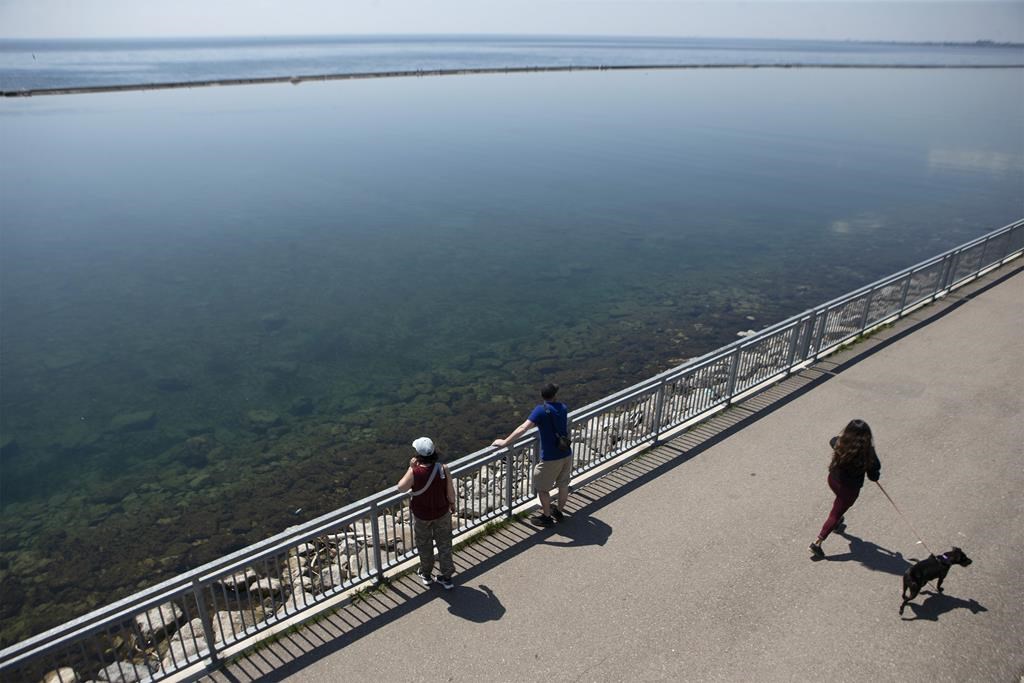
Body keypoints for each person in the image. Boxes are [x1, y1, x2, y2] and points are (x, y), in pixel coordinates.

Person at [492, 382, 572, 527]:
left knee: (542, 489)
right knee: (563, 485)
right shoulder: (563, 407)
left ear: (542, 396)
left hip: (550, 457)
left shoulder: (540, 411)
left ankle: (546, 517)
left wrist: (505, 443)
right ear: (555, 395)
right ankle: (559, 511)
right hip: (566, 452)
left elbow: (523, 428)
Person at [809, 419, 882, 559]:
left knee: (838, 507)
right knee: (835, 514)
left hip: (834, 480)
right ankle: (817, 542)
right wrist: (874, 475)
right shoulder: (868, 453)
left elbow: (832, 440)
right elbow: (873, 474)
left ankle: (836, 522)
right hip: (849, 490)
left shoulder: (840, 443)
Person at [397, 437, 457, 589]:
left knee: (424, 546)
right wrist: (452, 504)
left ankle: (426, 574)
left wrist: (410, 468)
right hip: (442, 513)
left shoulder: (416, 472)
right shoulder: (443, 468)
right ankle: (447, 577)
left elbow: (401, 488)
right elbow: (450, 491)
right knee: (444, 545)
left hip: (422, 516)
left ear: (418, 455)